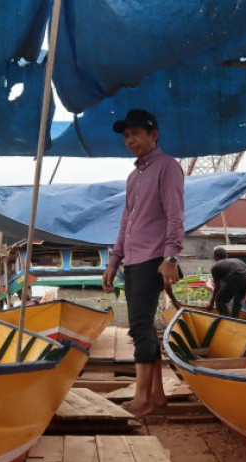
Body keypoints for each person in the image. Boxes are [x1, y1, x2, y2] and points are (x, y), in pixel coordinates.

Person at [102, 109, 184, 418]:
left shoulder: (168, 167)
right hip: (132, 260)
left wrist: (170, 257)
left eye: (136, 133)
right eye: (126, 136)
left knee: (139, 325)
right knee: (143, 326)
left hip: (154, 258)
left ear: (154, 134)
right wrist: (113, 262)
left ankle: (142, 399)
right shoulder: (134, 176)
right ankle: (158, 395)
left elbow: (176, 215)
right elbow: (126, 221)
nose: (130, 139)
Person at [207, 247, 246, 318]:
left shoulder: (216, 266)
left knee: (219, 301)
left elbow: (217, 286)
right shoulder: (237, 260)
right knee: (237, 302)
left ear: (215, 257)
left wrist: (212, 301)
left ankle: (228, 320)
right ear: (227, 255)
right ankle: (234, 320)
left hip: (237, 279)